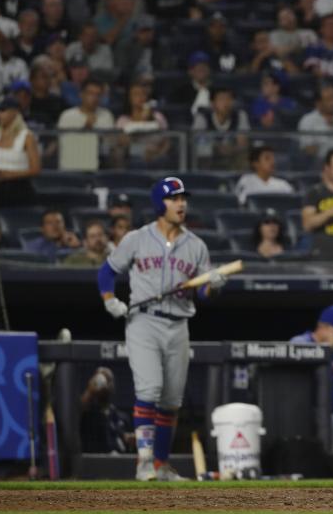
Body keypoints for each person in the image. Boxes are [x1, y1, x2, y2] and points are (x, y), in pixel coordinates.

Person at [97, 177, 226, 481]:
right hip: (144, 319)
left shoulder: (196, 245)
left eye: (183, 198)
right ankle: (143, 462)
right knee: (149, 389)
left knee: (170, 400)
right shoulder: (137, 239)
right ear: (160, 204)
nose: (181, 203)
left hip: (179, 324)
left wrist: (215, 287)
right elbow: (107, 271)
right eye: (174, 198)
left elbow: (203, 294)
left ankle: (160, 465)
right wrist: (109, 299)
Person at [290, 305, 333, 463]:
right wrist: (328, 348)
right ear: (323, 327)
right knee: (308, 463)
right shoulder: (300, 342)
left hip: (332, 416)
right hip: (306, 417)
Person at [0, 98, 40, 209]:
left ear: (15, 112)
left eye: (3, 111)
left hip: (20, 189)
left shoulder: (27, 137)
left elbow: (36, 169)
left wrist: (9, 174)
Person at [192, 86, 250, 170]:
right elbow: (199, 142)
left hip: (232, 155)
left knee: (244, 155)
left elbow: (242, 142)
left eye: (229, 99)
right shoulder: (202, 116)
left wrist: (231, 149)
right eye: (221, 99)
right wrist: (217, 147)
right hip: (210, 157)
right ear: (212, 103)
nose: (226, 103)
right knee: (204, 152)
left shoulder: (240, 115)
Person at [80, 367, 133, 453]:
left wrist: (128, 439)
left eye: (108, 380)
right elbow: (76, 414)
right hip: (95, 463)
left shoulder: (121, 417)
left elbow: (127, 441)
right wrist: (90, 392)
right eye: (101, 379)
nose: (105, 384)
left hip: (121, 463)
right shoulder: (88, 415)